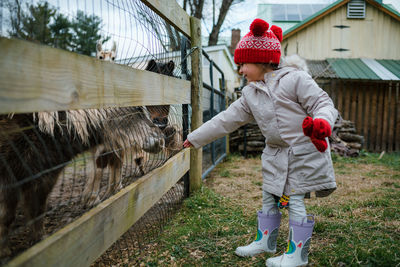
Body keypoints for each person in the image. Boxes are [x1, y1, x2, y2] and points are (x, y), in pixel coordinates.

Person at [183, 18, 337, 267]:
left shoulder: (295, 80)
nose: (240, 70)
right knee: (269, 195)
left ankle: (298, 255)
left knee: (294, 199)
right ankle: (266, 241)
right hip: (275, 153)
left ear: (261, 60)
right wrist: (194, 138)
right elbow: (225, 120)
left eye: (243, 63)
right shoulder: (251, 93)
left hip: (303, 151)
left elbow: (323, 103)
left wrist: (322, 122)